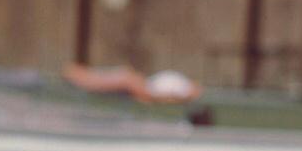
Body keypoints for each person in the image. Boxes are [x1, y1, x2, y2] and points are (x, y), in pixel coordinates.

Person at [63, 62, 202, 104]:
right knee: (124, 72)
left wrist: (145, 97)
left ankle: (81, 78)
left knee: (125, 77)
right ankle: (82, 76)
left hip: (147, 89)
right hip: (146, 83)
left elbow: (163, 98)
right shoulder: (185, 86)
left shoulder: (184, 93)